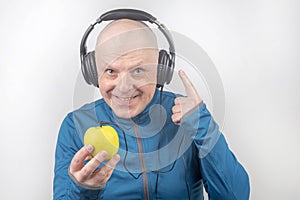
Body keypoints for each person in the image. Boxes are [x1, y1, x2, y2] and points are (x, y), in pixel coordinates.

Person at [53, 9, 250, 200]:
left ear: (161, 72)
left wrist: (203, 126)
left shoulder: (189, 116)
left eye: (138, 70)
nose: (123, 88)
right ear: (93, 72)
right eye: (111, 71)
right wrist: (84, 190)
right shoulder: (75, 125)